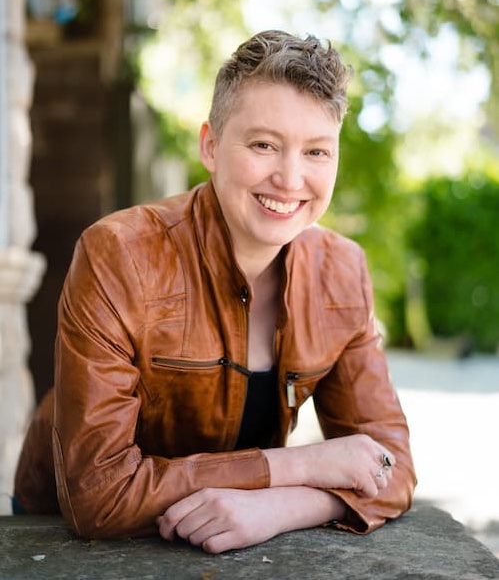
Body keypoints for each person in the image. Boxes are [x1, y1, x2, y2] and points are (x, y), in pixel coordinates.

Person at [14, 29, 416, 554]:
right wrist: (298, 464)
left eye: (317, 151)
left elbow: (392, 466)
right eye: (264, 145)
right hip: (58, 539)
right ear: (210, 145)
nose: (291, 179)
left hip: (232, 533)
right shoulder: (119, 254)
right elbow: (99, 495)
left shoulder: (343, 271)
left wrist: (281, 505)